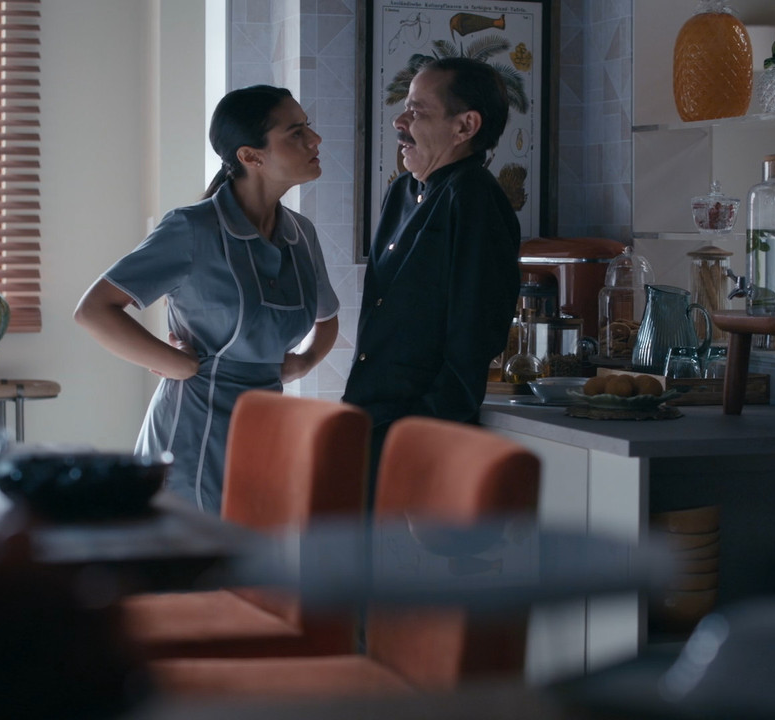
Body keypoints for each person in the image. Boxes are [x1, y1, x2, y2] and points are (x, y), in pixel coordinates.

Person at [75, 85, 339, 514]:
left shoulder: (301, 234)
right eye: (296, 133)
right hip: (190, 436)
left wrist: (305, 361)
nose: (315, 139)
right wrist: (175, 363)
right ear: (250, 156)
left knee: (250, 552)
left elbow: (327, 318)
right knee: (193, 554)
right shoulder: (192, 229)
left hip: (264, 434)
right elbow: (93, 310)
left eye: (307, 126)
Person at [342, 57, 521, 500]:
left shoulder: (474, 198)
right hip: (369, 418)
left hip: (416, 434)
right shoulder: (401, 192)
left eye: (418, 111)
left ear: (465, 126)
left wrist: (422, 435)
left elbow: (474, 337)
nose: (400, 122)